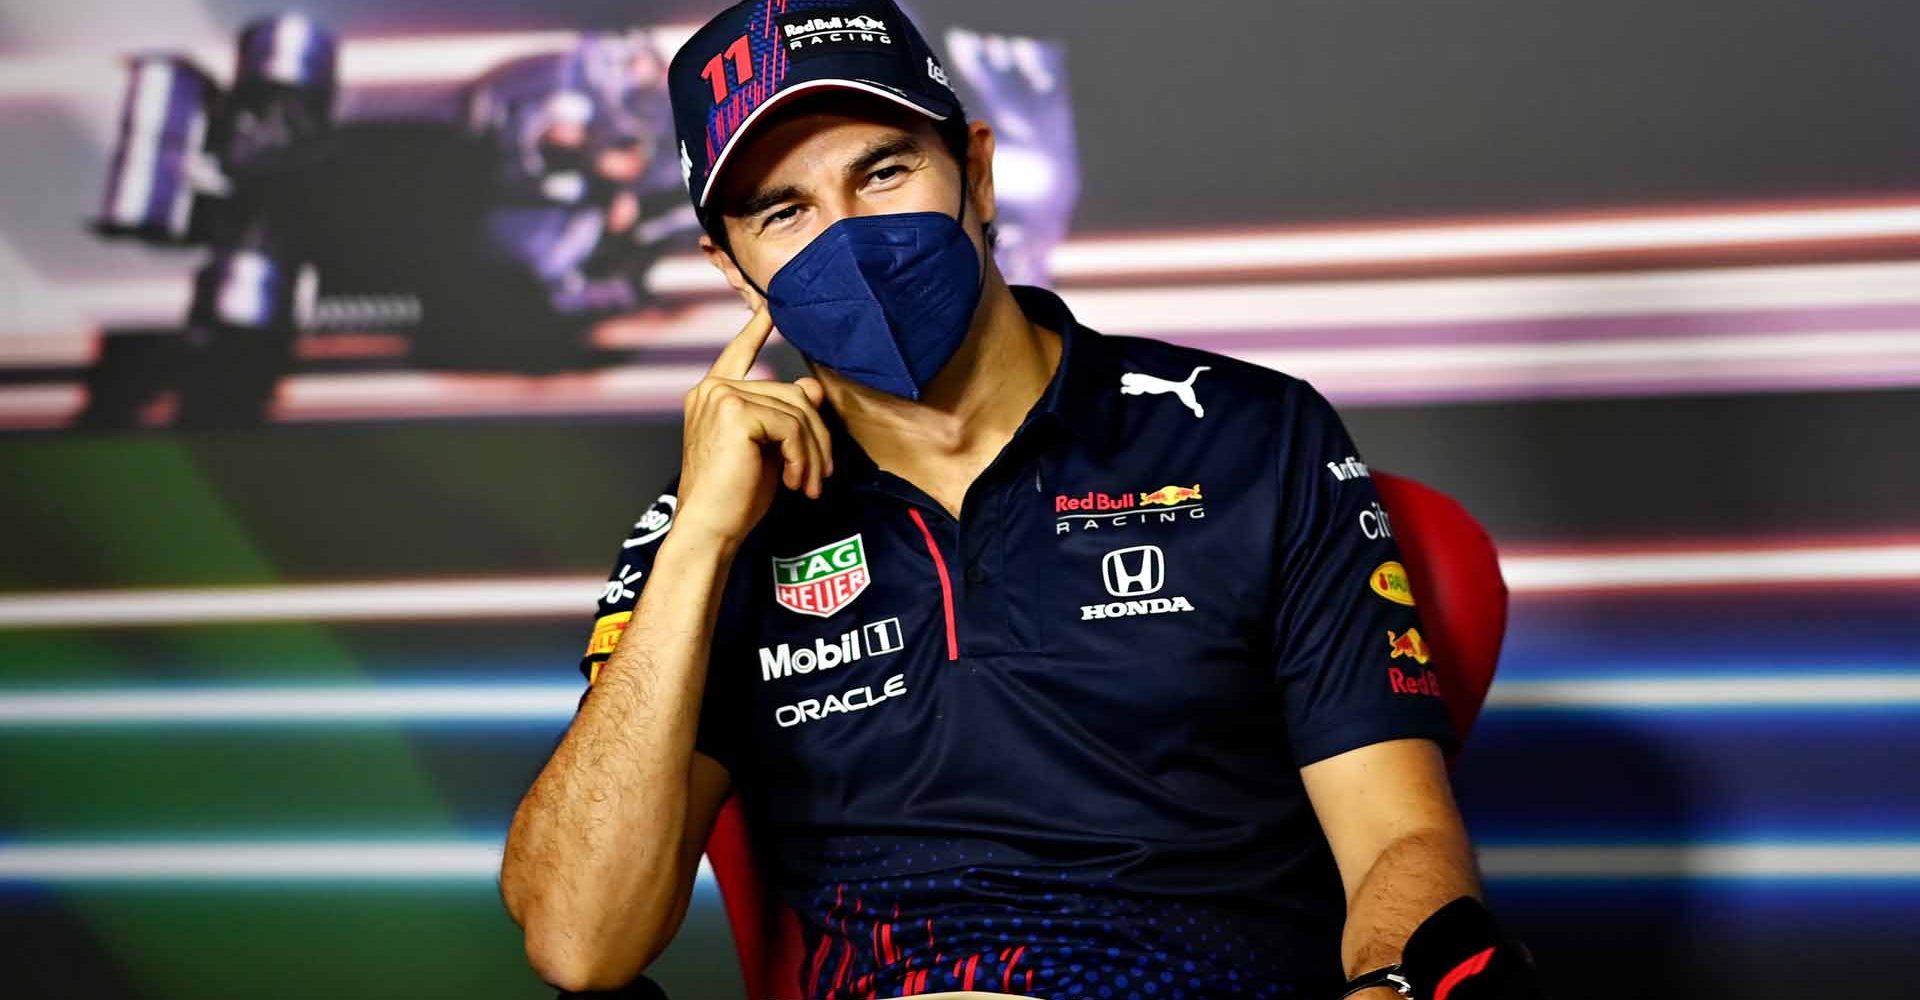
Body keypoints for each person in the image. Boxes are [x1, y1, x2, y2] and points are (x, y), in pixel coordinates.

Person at [501, 3, 1495, 998]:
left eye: (884, 172)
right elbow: (580, 942)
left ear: (977, 171)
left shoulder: (1249, 436)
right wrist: (700, 544)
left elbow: (1400, 841)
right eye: (782, 212)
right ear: (731, 268)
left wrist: (1390, 986)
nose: (847, 237)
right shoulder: (718, 525)